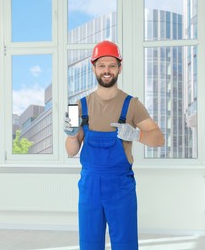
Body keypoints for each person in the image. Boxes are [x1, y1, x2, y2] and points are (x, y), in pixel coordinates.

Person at [64, 40, 165, 250]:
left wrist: (136, 134)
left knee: (125, 245)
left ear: (120, 67)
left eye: (111, 65)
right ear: (94, 68)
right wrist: (73, 136)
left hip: (120, 186)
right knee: (90, 245)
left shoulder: (132, 105)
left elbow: (158, 139)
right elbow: (71, 152)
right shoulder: (80, 106)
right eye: (101, 66)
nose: (106, 70)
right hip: (90, 185)